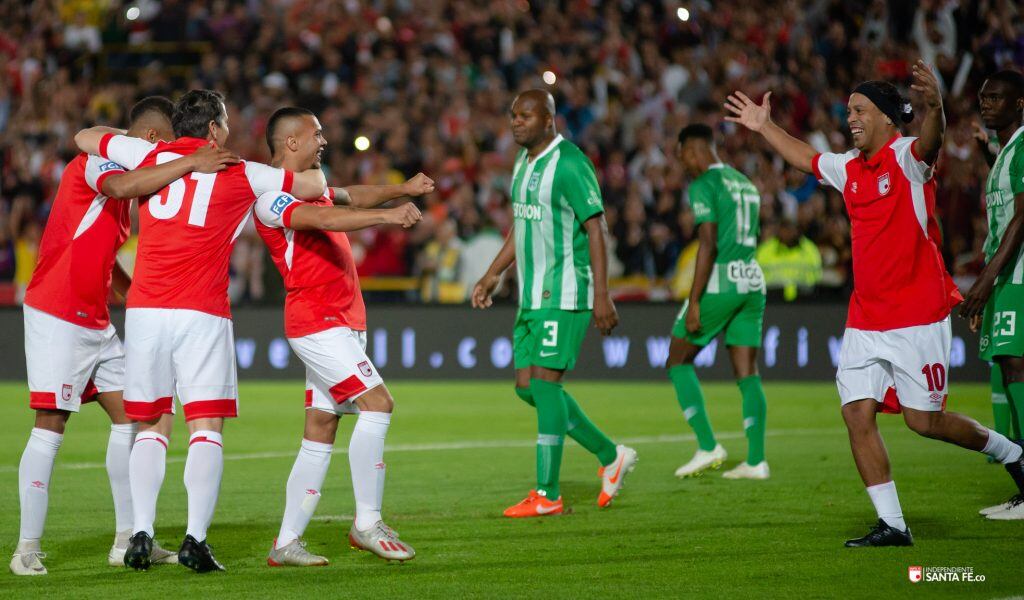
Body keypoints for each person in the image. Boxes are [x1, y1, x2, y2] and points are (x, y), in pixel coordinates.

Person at [724, 61, 1024, 546]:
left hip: (916, 315)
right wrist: (764, 127)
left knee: (923, 422)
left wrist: (935, 106)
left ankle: (1012, 452)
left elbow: (932, 139)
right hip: (865, 318)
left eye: (860, 110)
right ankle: (893, 524)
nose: (851, 119)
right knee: (855, 413)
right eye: (849, 112)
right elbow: (806, 158)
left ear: (887, 117)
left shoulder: (906, 158)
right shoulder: (849, 168)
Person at [74, 90, 328, 571]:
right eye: (226, 123)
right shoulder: (243, 170)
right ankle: (194, 539)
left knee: (150, 425)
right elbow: (312, 186)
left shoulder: (149, 153)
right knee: (205, 428)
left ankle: (142, 533)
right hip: (202, 312)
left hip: (146, 311)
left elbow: (85, 136)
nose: (229, 131)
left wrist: (173, 160)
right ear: (213, 129)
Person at [10, 97, 238, 576]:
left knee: (133, 419)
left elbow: (110, 260)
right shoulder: (97, 164)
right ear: (154, 141)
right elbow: (119, 181)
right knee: (50, 425)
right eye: (171, 145)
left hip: (96, 320)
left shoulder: (128, 206)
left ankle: (126, 540)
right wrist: (192, 160)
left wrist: (138, 297)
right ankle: (26, 549)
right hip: (57, 312)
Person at [253, 107, 431, 565]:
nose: (324, 140)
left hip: (342, 320)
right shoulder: (269, 195)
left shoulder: (311, 183)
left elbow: (351, 196)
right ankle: (367, 523)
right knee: (378, 404)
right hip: (317, 322)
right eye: (316, 133)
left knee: (321, 428)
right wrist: (389, 217)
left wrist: (403, 188)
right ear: (291, 142)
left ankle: (285, 543)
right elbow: (325, 221)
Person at [471, 89, 637, 518]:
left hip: (565, 292)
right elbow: (522, 225)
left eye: (526, 115)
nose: (516, 122)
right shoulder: (523, 165)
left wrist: (602, 294)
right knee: (528, 388)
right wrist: (494, 273)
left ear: (549, 120)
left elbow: (596, 228)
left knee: (545, 385)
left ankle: (548, 494)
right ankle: (609, 454)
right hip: (531, 295)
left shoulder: (570, 163)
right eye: (513, 115)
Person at [666, 123, 770, 481]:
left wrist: (694, 301)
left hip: (722, 280)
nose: (683, 164)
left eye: (682, 156)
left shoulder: (703, 185)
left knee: (677, 359)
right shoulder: (744, 182)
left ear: (693, 150)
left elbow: (707, 242)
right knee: (747, 372)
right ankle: (756, 460)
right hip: (753, 279)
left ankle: (708, 445)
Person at [960, 69, 1024, 520]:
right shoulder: (1007, 152)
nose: (986, 103)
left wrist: (985, 281)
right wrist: (988, 154)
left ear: (1019, 103)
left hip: (1017, 274)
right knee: (1008, 367)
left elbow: (1022, 219)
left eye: (997, 97)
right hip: (1006, 275)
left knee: (1016, 365)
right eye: (983, 97)